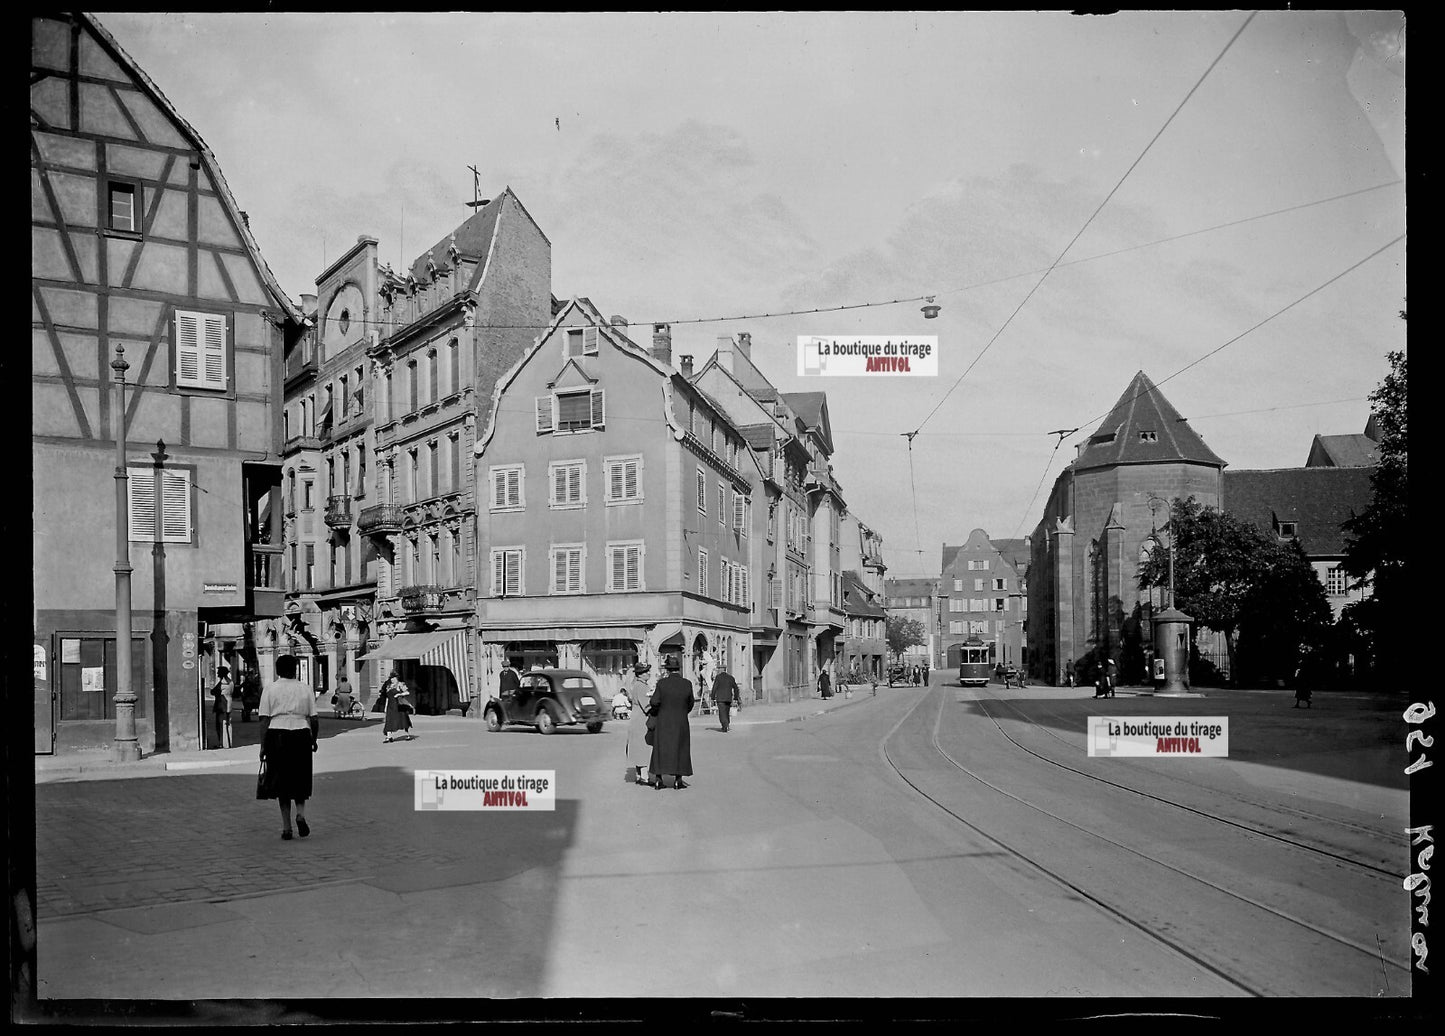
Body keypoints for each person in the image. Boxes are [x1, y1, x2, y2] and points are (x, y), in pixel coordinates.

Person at [257, 654, 317, 841]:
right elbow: (314, 719)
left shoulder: (270, 689)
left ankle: (286, 828)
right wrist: (313, 739)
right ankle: (300, 813)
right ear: (295, 669)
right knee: (300, 777)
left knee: (281, 781)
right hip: (301, 733)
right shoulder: (305, 689)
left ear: (277, 670)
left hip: (277, 734)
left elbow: (264, 719)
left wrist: (263, 745)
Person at [647, 655, 694, 789]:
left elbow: (654, 701)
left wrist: (659, 711)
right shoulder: (687, 683)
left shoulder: (662, 684)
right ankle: (678, 780)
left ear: (667, 670)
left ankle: (658, 779)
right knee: (681, 748)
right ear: (678, 669)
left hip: (664, 721)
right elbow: (690, 703)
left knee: (661, 748)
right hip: (681, 721)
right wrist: (682, 712)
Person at [626, 663, 654, 784]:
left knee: (637, 746)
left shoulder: (637, 684)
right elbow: (646, 706)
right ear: (640, 674)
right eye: (645, 672)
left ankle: (639, 775)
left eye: (648, 671)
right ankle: (644, 776)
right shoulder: (642, 687)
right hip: (642, 720)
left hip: (636, 719)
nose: (648, 673)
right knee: (642, 747)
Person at [384, 674, 414, 742]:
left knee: (402, 719)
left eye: (393, 678)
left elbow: (407, 692)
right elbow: (387, 698)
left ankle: (407, 734)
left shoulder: (400, 684)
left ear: (397, 678)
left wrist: (399, 694)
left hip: (398, 705)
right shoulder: (389, 686)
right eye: (391, 678)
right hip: (390, 706)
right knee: (389, 720)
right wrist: (385, 707)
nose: (392, 680)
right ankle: (389, 737)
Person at [711, 663, 739, 732]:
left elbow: (714, 687)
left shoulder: (718, 677)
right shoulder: (731, 677)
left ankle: (725, 725)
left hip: (720, 698)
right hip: (728, 698)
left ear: (721, 670)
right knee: (726, 712)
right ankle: (726, 725)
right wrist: (735, 697)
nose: (718, 670)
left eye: (718, 669)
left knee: (722, 713)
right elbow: (736, 688)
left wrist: (712, 697)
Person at [211, 666, 233, 749]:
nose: (217, 673)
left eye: (218, 672)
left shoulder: (223, 683)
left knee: (222, 725)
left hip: (222, 706)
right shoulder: (230, 681)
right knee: (227, 724)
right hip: (227, 704)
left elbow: (213, 691)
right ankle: (228, 743)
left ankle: (223, 743)